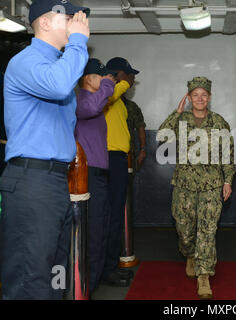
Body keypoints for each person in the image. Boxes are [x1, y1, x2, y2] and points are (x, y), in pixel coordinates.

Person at [0, 0, 90, 299]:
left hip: (53, 182)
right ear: (46, 23)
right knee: (31, 277)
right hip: (31, 181)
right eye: (71, 18)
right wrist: (78, 42)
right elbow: (59, 86)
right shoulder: (26, 61)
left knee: (56, 273)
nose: (78, 23)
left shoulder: (58, 66)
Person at [159, 76, 235, 299]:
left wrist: (228, 180)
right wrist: (176, 112)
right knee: (184, 228)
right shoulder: (181, 120)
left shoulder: (219, 122)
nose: (200, 98)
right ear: (189, 98)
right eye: (195, 95)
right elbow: (163, 137)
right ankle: (190, 253)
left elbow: (228, 155)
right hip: (184, 184)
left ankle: (204, 276)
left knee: (208, 230)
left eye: (204, 95)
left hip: (212, 185)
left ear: (209, 98)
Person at [75, 58, 116, 297]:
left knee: (100, 232)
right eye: (102, 76)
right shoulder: (80, 100)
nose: (106, 80)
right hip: (86, 177)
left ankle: (92, 285)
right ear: (88, 78)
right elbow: (90, 109)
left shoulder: (95, 103)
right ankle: (85, 287)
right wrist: (108, 86)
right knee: (92, 235)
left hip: (99, 176)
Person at [100, 57, 139, 286]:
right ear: (120, 75)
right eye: (130, 75)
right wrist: (120, 80)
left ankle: (110, 265)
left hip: (117, 159)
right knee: (111, 216)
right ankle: (107, 269)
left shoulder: (118, 99)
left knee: (115, 216)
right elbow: (112, 91)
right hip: (109, 159)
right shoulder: (108, 92)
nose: (133, 79)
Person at [122, 96, 147, 171]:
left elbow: (141, 127)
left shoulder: (131, 107)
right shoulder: (106, 105)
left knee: (128, 180)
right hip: (109, 151)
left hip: (129, 153)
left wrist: (143, 150)